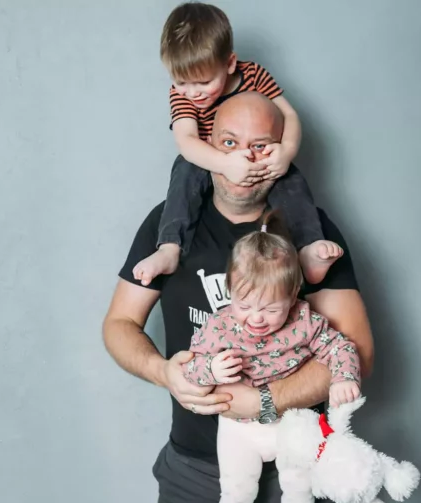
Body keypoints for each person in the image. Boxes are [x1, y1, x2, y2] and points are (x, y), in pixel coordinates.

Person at [103, 91, 375, 503]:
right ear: (207, 145)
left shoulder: (311, 233)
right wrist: (163, 372)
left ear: (283, 151)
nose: (243, 161)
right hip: (194, 472)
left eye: (260, 146)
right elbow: (119, 323)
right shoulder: (168, 226)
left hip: (299, 464)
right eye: (229, 143)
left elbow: (358, 351)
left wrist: (267, 400)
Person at [132, 2, 344, 288]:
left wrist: (286, 151)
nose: (192, 93)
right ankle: (170, 247)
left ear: (230, 64)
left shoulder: (253, 75)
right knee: (184, 170)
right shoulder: (181, 95)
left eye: (204, 82)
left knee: (290, 180)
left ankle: (307, 248)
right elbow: (186, 140)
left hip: (257, 156)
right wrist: (225, 163)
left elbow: (290, 115)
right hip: (211, 157)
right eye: (181, 81)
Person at [183, 211, 361, 503]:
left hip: (292, 422)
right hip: (238, 427)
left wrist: (344, 377)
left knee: (299, 488)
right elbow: (190, 368)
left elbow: (339, 346)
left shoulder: (303, 320)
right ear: (230, 291)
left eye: (270, 309)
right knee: (236, 492)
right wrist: (211, 369)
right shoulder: (219, 326)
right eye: (244, 306)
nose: (256, 318)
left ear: (292, 296)